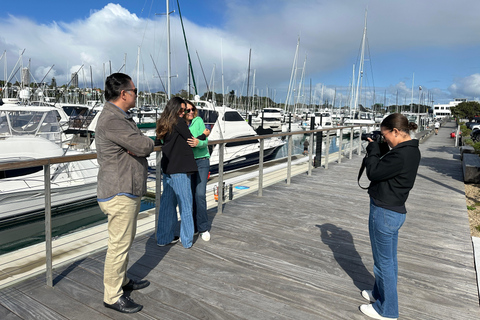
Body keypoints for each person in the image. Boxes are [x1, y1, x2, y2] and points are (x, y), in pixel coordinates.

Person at [96, 73, 154, 313]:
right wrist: (141, 145)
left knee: (124, 241)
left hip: (124, 188)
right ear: (124, 94)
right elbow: (144, 145)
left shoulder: (118, 116)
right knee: (119, 245)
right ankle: (112, 295)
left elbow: (137, 145)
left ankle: (122, 281)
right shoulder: (113, 119)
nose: (136, 94)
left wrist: (137, 146)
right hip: (120, 191)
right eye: (135, 90)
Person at [359, 113, 421, 320]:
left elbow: (374, 172)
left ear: (396, 131)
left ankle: (387, 311)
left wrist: (373, 149)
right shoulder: (409, 150)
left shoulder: (401, 155)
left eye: (385, 135)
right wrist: (381, 146)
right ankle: (378, 294)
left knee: (382, 263)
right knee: (388, 260)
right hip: (393, 211)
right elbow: (388, 168)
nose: (384, 139)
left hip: (384, 213)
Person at [155, 97, 198, 249]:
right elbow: (190, 139)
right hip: (180, 168)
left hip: (168, 168)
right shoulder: (179, 122)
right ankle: (186, 240)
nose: (184, 112)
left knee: (167, 205)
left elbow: (157, 141)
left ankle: (163, 238)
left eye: (185, 110)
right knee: (185, 205)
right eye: (182, 110)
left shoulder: (163, 123)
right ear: (175, 109)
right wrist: (203, 135)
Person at [184, 100, 212, 241]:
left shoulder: (198, 120)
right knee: (189, 196)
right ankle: (193, 226)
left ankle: (203, 227)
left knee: (200, 194)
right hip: (187, 163)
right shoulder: (180, 124)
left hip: (201, 161)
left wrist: (198, 142)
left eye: (192, 109)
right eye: (187, 110)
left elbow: (205, 141)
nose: (190, 112)